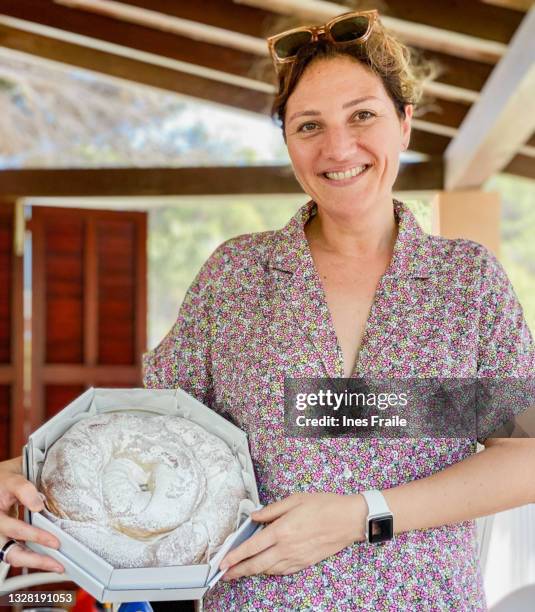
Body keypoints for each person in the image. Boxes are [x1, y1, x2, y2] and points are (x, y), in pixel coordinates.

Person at [0, 9, 533, 611]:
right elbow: (152, 434)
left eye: (363, 115)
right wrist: (26, 472)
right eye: (309, 125)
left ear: (405, 125)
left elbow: (524, 454)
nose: (338, 147)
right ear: (288, 142)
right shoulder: (237, 276)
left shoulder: (464, 282)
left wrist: (365, 515)